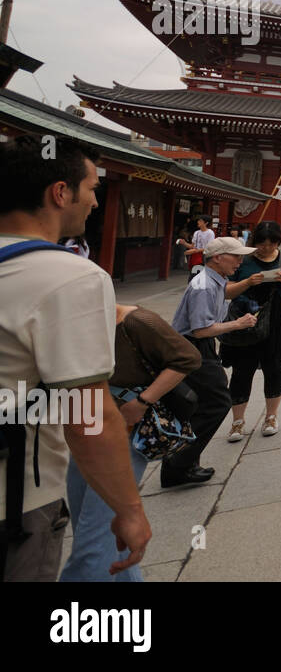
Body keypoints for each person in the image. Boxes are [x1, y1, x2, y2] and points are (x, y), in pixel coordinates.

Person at [0, 135, 151, 581]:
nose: (94, 200)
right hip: (17, 499)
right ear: (59, 192)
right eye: (91, 188)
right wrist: (129, 509)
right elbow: (88, 416)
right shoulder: (70, 277)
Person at [60, 304, 200, 582]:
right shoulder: (70, 327)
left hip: (126, 431)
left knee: (94, 538)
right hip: (85, 431)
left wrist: (142, 401)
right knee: (96, 528)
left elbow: (188, 358)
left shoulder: (137, 321)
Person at [167, 236, 258, 487]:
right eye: (235, 256)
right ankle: (179, 462)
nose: (240, 261)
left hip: (197, 347)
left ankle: (181, 463)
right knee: (218, 402)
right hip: (192, 347)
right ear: (217, 257)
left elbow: (226, 292)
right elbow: (200, 329)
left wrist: (249, 283)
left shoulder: (215, 280)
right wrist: (238, 324)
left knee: (197, 404)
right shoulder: (204, 285)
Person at [223, 221, 281, 441]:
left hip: (277, 321)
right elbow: (227, 292)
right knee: (242, 370)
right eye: (262, 243)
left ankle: (271, 416)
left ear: (279, 241)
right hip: (245, 320)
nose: (266, 248)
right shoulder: (243, 260)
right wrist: (248, 282)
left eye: (272, 243)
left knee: (274, 367)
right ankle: (237, 421)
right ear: (254, 242)